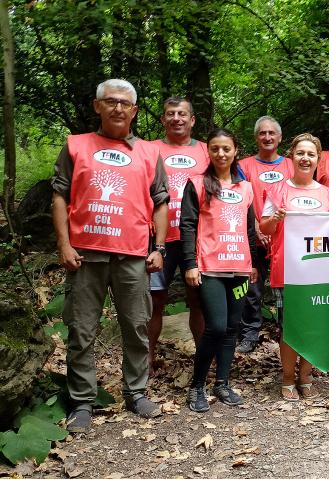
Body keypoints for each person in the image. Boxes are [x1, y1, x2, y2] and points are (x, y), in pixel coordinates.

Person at [52, 79, 167, 433]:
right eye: (111, 101)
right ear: (97, 106)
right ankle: (83, 401)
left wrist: (159, 247)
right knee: (82, 328)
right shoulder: (77, 146)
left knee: (136, 325)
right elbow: (59, 196)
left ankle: (136, 393)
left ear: (134, 111)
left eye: (125, 103)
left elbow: (161, 200)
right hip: (85, 254)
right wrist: (64, 243)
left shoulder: (149, 152)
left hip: (132, 253)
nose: (118, 108)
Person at [181, 128, 260, 413]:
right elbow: (187, 225)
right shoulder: (198, 183)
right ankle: (197, 386)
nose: (221, 154)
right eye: (215, 148)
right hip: (209, 268)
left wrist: (251, 264)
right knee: (214, 327)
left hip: (239, 267)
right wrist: (190, 264)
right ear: (209, 152)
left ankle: (223, 383)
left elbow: (250, 230)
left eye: (226, 148)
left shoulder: (246, 187)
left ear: (235, 150)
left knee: (231, 329)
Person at [260, 133, 329, 401]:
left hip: (318, 271)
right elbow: (264, 228)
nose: (305, 158)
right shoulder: (277, 190)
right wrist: (275, 218)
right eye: (301, 153)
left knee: (314, 324)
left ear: (318, 160)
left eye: (311, 154)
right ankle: (286, 377)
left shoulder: (328, 195)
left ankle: (305, 375)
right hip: (287, 270)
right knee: (290, 327)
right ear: (291, 156)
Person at [148, 97, 209, 369]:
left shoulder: (208, 151)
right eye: (170, 114)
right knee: (154, 300)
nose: (176, 118)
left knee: (198, 300)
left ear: (192, 119)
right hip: (158, 237)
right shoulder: (149, 150)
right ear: (163, 120)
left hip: (196, 239)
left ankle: (204, 357)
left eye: (182, 113)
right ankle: (146, 359)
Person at [236, 116, 293, 353]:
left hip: (287, 239)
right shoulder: (244, 165)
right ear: (256, 137)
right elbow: (240, 199)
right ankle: (250, 333)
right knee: (252, 286)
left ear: (279, 138)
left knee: (289, 287)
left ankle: (289, 331)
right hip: (254, 236)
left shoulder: (291, 164)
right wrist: (258, 226)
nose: (267, 137)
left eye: (272, 133)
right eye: (262, 133)